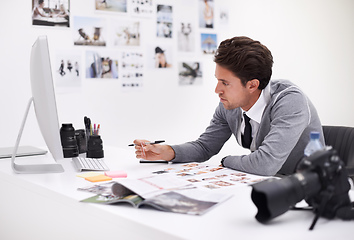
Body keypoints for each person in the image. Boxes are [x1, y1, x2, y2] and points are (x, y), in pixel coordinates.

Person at [134, 36, 324, 176]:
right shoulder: (230, 106)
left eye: (225, 83)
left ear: (252, 85)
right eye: (217, 80)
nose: (217, 90)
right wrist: (168, 151)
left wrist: (225, 161)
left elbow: (265, 164)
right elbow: (205, 147)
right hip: (268, 183)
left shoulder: (290, 101)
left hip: (308, 191)